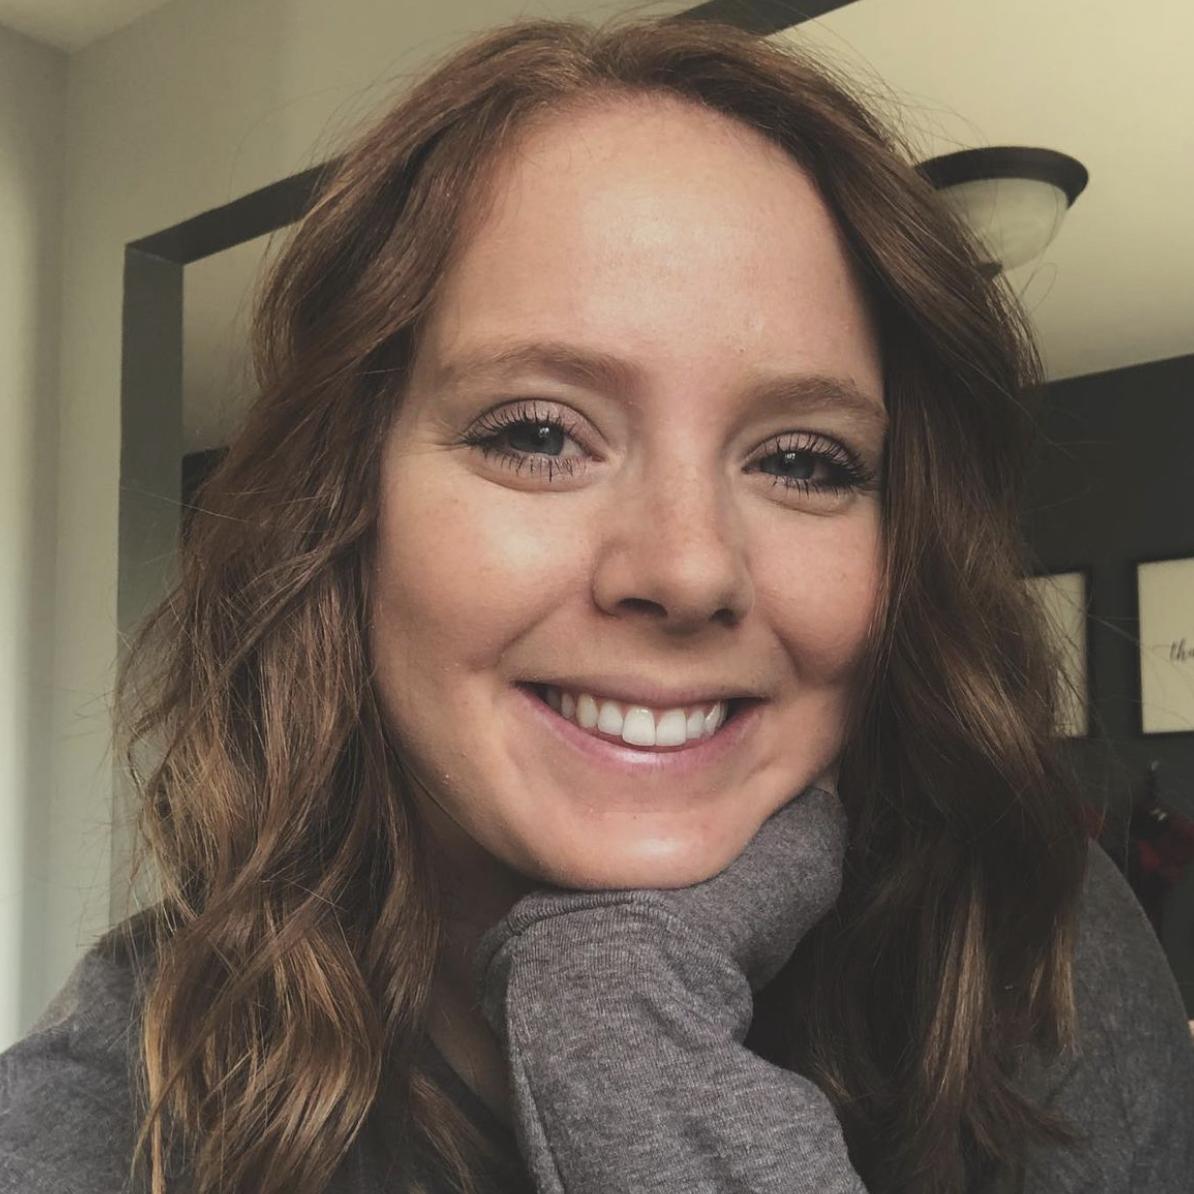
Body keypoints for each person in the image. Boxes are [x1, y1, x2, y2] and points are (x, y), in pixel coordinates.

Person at [2, 12, 1192, 1194]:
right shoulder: (111, 1120)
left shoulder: (1031, 939)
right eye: (536, 436)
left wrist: (627, 1027)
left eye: (802, 459)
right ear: (343, 510)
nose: (689, 568)